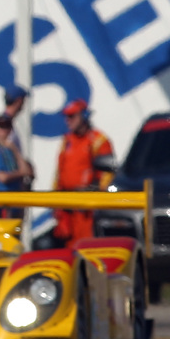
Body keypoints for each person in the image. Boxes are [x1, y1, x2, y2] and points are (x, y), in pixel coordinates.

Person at [52, 99, 114, 247]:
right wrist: (55, 201)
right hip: (67, 206)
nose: (68, 120)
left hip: (88, 209)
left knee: (89, 247)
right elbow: (59, 172)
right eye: (67, 117)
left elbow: (108, 173)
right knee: (70, 251)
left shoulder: (99, 140)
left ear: (84, 116)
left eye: (72, 116)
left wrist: (97, 196)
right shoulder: (67, 140)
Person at [2, 85, 28, 152]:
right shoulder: (2, 125)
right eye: (23, 101)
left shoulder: (6, 122)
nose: (24, 105)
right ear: (19, 101)